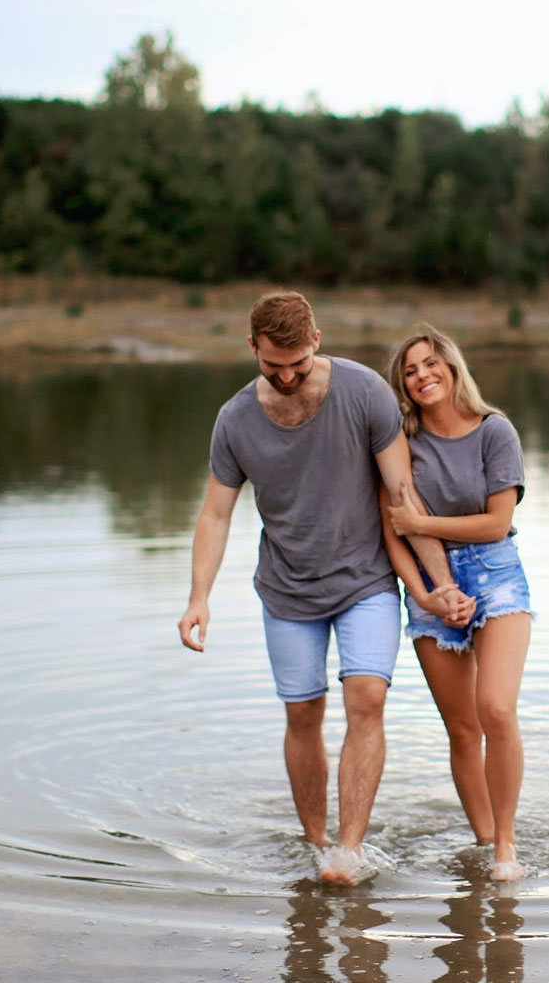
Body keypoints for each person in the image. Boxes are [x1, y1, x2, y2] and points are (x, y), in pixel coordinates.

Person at [177, 292, 472, 886]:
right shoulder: (235, 420)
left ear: (316, 340)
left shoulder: (365, 393)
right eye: (271, 365)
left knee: (367, 698)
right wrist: (198, 597)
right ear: (252, 346)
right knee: (302, 713)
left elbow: (403, 497)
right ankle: (316, 845)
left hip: (365, 578)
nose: (286, 377)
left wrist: (438, 586)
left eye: (297, 364)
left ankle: (348, 850)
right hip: (286, 590)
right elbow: (215, 514)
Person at [380, 325, 533, 882]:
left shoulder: (495, 431)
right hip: (428, 587)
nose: (422, 376)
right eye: (410, 371)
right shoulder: (400, 443)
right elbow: (390, 531)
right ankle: (486, 838)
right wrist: (423, 594)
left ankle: (507, 848)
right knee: (464, 730)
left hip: (496, 576)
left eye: (429, 364)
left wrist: (424, 522)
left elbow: (498, 523)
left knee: (496, 708)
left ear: (451, 366)